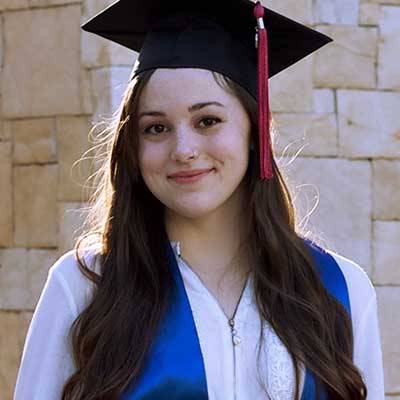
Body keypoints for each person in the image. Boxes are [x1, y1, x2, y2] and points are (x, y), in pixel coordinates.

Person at [14, 0, 385, 399]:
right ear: (133, 146)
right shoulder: (85, 288)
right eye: (156, 128)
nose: (184, 150)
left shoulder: (339, 289)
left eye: (207, 121)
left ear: (255, 130)